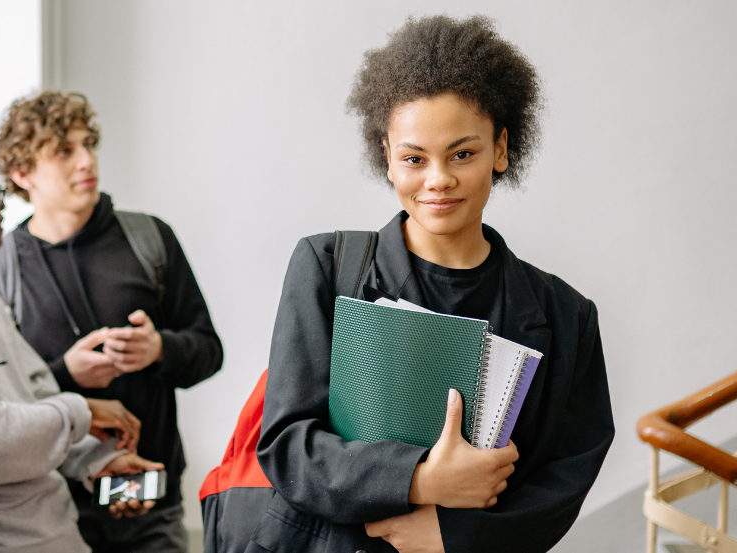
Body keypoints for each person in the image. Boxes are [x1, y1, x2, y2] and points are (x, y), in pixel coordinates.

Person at [255, 15, 614, 553]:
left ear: (501, 149)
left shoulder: (565, 315)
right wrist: (421, 479)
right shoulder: (327, 267)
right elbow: (287, 447)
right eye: (414, 158)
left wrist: (453, 534)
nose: (438, 179)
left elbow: (566, 477)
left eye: (462, 153)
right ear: (388, 158)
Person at [0, 91, 223, 552]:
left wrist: (159, 350)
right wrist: (64, 374)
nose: (87, 160)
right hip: (50, 507)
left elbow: (209, 351)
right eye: (64, 151)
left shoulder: (149, 237)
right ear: (22, 173)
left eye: (88, 143)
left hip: (151, 493)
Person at [0, 125, 164, 553]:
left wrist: (100, 461)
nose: (2, 205)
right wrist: (82, 409)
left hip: (59, 535)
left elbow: (35, 394)